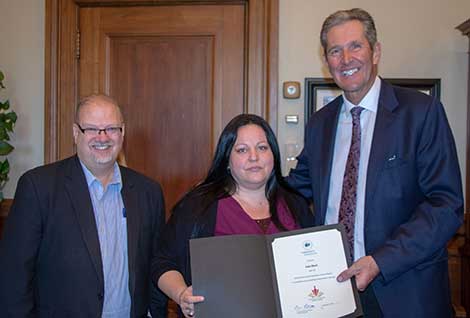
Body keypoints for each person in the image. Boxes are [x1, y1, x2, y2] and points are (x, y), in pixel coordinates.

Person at [287, 8, 463, 318]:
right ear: (326, 61)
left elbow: (446, 205)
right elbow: (293, 191)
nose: (346, 59)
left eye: (355, 46)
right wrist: (231, 187)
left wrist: (380, 261)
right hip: (332, 292)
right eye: (335, 51)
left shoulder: (420, 113)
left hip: (404, 292)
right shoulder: (320, 124)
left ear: (376, 51)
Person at [0, 94, 166, 317]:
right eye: (92, 129)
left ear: (122, 132)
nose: (102, 137)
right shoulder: (38, 188)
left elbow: (156, 266)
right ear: (76, 133)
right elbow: (14, 279)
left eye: (111, 128)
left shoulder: (149, 192)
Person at [152, 114, 314, 318]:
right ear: (227, 159)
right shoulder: (198, 206)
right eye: (242, 150)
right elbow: (162, 262)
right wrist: (181, 293)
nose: (254, 157)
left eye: (262, 147)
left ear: (273, 154)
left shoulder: (296, 205)